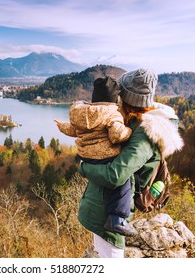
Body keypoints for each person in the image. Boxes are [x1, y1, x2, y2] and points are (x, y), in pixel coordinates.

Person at [77, 68, 184, 258]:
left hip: (108, 216)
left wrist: (83, 167)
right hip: (103, 211)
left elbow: (115, 176)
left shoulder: (144, 135)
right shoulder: (131, 124)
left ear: (127, 99)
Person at [54, 76, 137, 237]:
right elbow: (116, 136)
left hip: (87, 157)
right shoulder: (112, 113)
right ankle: (117, 219)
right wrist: (130, 131)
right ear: (114, 99)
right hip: (105, 156)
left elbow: (73, 130)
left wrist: (61, 126)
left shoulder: (82, 113)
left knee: (110, 183)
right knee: (122, 182)